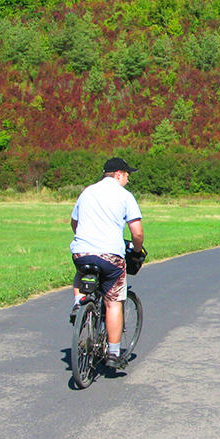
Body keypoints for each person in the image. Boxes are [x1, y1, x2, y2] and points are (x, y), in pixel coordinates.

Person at [70, 157, 144, 367]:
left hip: (82, 251)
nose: (128, 180)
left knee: (81, 271)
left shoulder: (87, 192)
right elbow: (137, 233)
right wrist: (136, 252)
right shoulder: (125, 196)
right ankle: (113, 353)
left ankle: (79, 305)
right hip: (111, 255)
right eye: (127, 175)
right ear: (118, 174)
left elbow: (74, 221)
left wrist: (85, 239)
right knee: (113, 302)